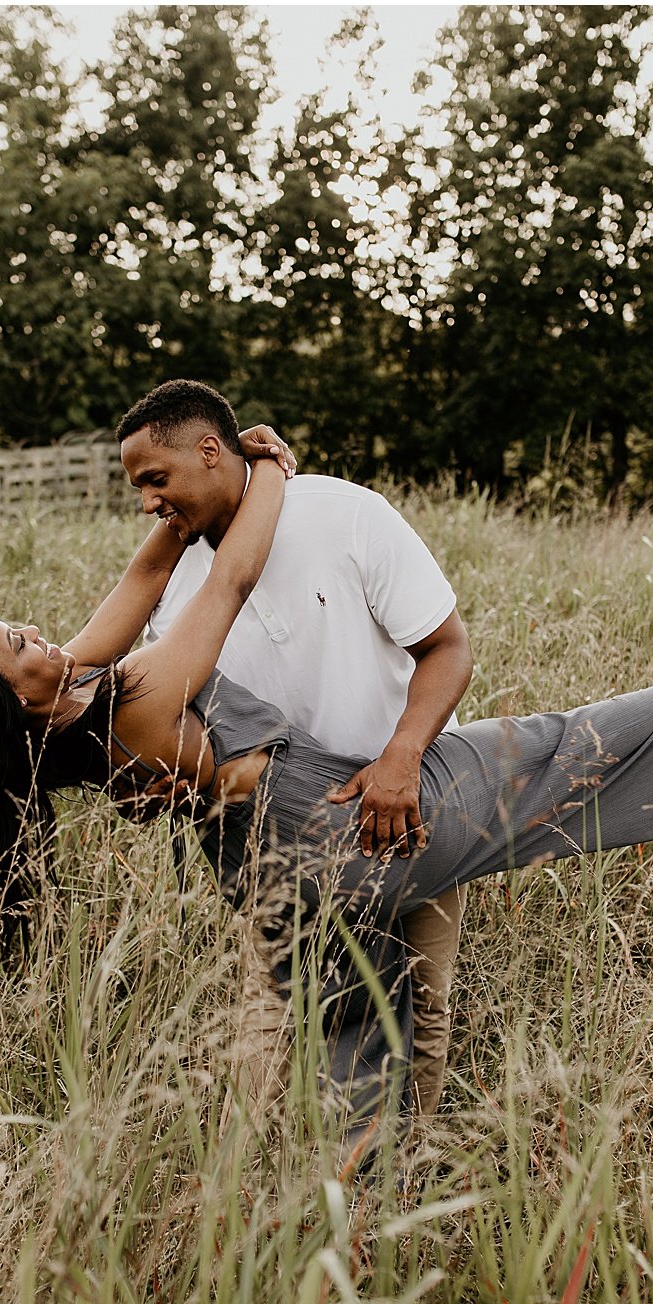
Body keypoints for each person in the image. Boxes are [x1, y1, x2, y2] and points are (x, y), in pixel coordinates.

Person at [0, 440, 653, 1128]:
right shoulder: (135, 700)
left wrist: (180, 507)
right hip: (342, 825)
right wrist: (266, 470)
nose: (41, 635)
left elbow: (138, 585)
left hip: (267, 869)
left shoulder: (75, 707)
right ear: (11, 692)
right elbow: (231, 579)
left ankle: (362, 1195)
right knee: (544, 753)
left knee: (358, 1037)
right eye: (19, 640)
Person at [114, 380, 473, 1118]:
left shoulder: (344, 513)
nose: (148, 502)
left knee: (420, 1010)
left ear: (211, 450)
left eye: (157, 479)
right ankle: (261, 1202)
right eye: (139, 488)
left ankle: (394, 1196)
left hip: (405, 811)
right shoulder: (176, 592)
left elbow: (448, 647)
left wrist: (401, 757)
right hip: (280, 847)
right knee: (272, 1022)